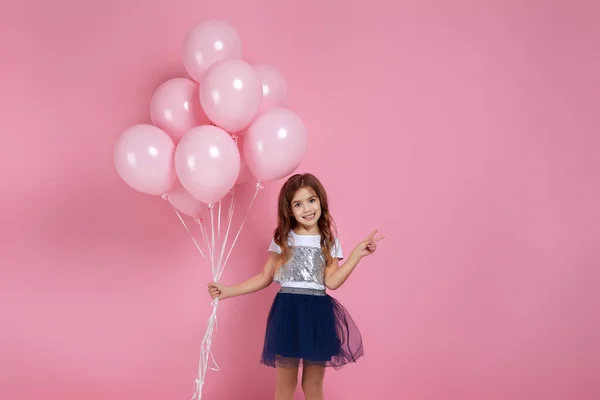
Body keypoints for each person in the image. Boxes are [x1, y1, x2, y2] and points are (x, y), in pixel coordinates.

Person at [208, 173, 384, 400]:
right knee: (285, 386)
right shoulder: (283, 238)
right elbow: (265, 276)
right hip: (288, 313)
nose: (307, 209)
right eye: (298, 204)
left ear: (320, 200)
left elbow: (332, 282)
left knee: (312, 386)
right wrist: (229, 290)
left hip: (318, 314)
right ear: (290, 210)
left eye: (311, 200)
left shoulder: (328, 240)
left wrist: (356, 255)